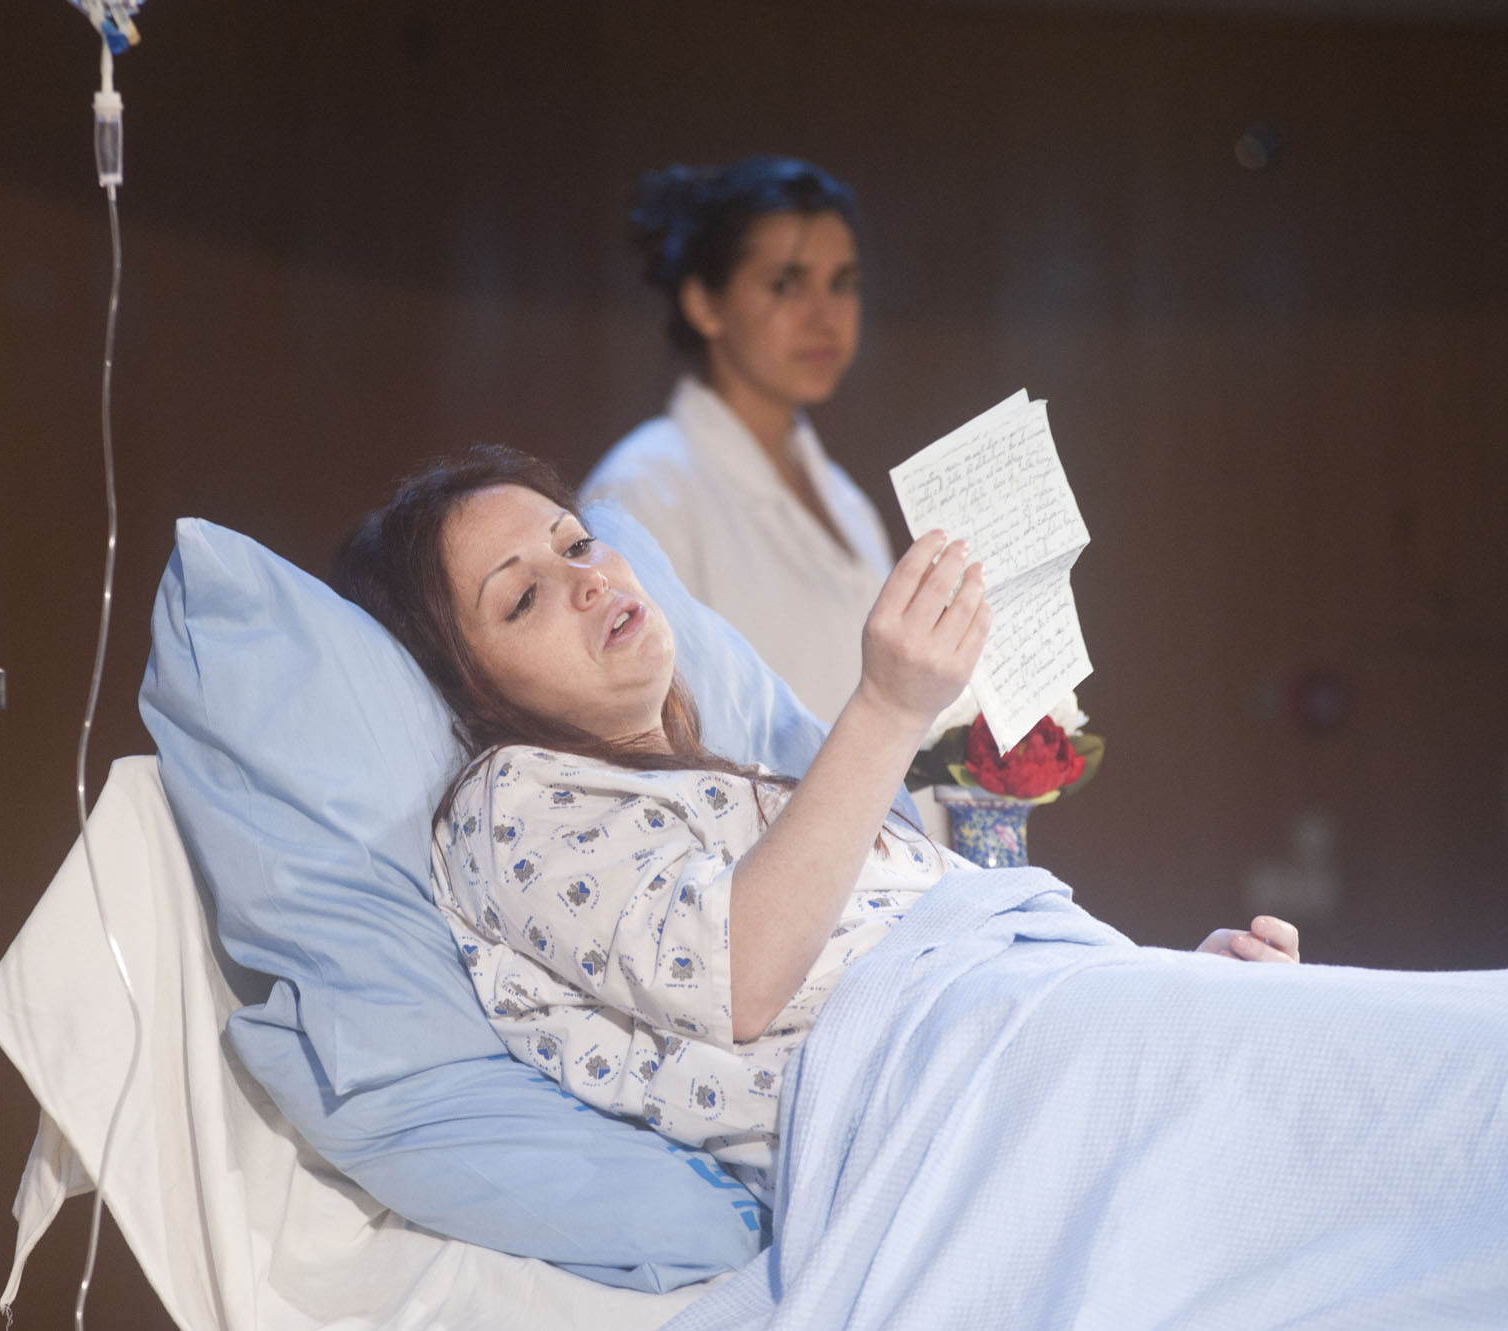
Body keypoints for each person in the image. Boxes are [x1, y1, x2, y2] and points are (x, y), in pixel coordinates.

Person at [335, 445, 1299, 1201]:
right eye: (522, 597)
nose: (587, 580)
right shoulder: (505, 802)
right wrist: (888, 706)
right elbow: (733, 976)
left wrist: (1168, 982)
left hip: (1052, 1057)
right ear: (471, 688)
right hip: (968, 1128)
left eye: (576, 543)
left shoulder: (732, 790)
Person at [584, 156, 893, 723]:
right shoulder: (643, 490)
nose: (825, 318)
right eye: (786, 285)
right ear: (705, 304)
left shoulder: (849, 502)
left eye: (843, 284)